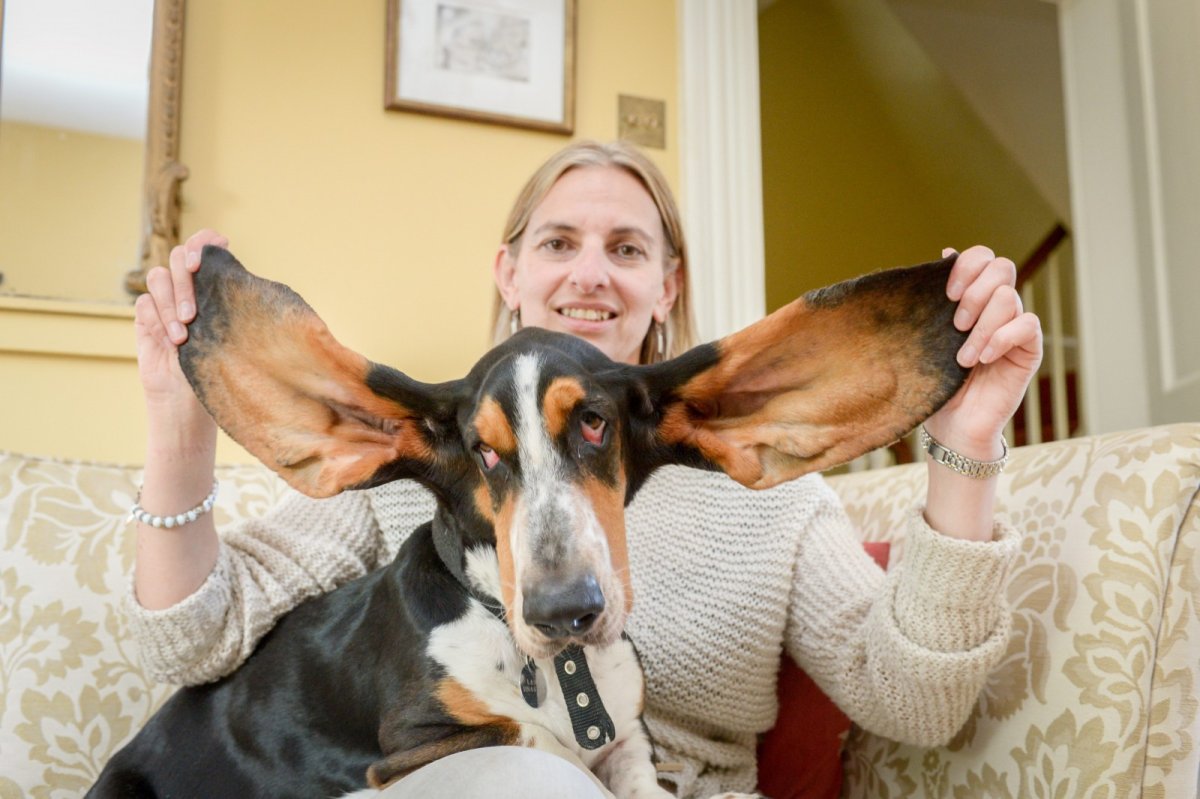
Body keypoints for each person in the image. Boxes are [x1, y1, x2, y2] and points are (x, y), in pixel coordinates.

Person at [128, 140, 1041, 798]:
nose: (590, 274)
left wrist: (966, 445)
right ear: (510, 271)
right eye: (558, 242)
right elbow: (193, 644)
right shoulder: (430, 471)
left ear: (667, 285)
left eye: (627, 249)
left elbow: (917, 704)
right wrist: (177, 427)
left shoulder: (772, 497)